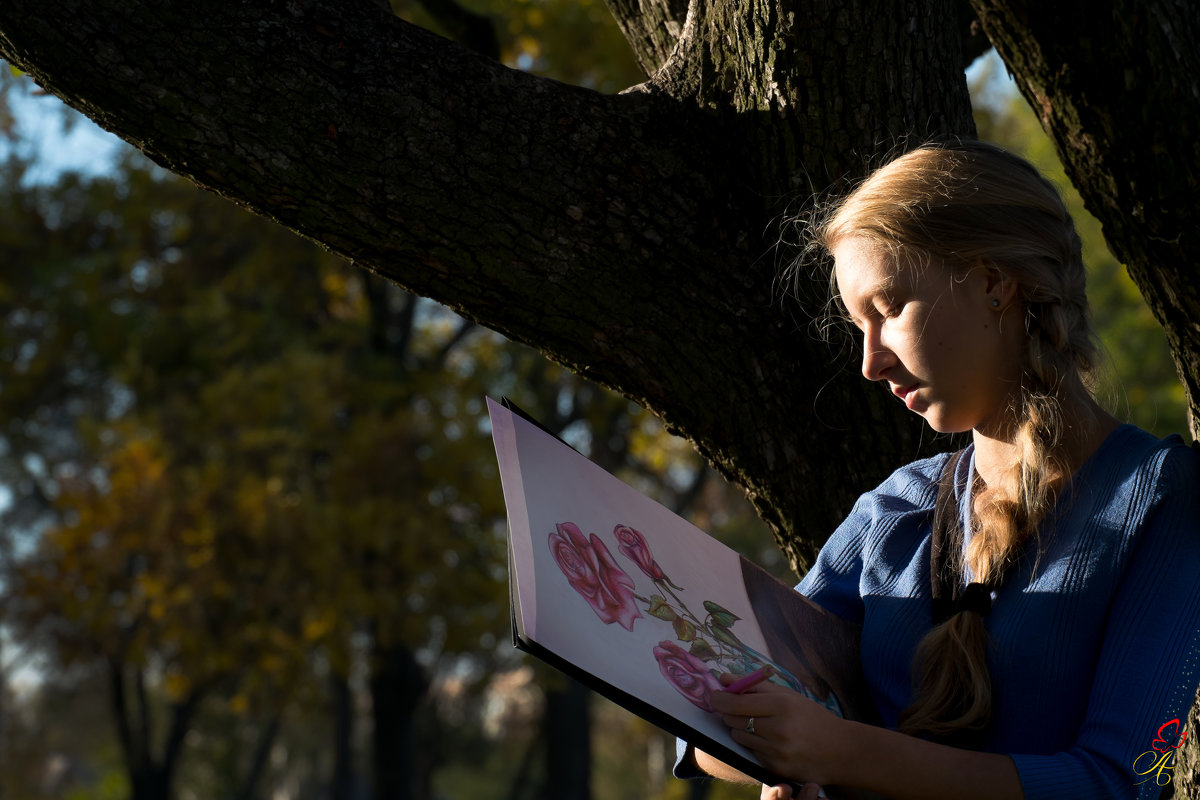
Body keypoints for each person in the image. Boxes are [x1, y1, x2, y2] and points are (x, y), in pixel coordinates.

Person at [674, 139, 1200, 799]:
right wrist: (785, 759)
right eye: (856, 325)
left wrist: (838, 753)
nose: (870, 363)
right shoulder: (891, 511)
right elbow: (710, 711)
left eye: (889, 309)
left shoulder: (1165, 500)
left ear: (993, 281)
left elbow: (1125, 781)